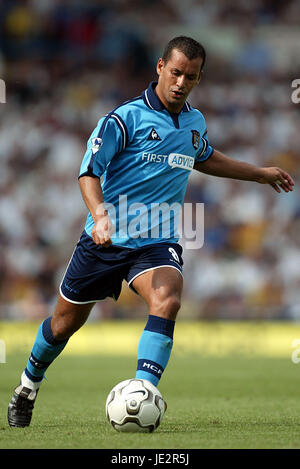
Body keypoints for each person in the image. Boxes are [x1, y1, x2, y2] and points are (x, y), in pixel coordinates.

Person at [8, 36, 294, 427]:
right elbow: (88, 172)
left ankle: (144, 390)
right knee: (63, 325)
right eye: (175, 72)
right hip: (105, 239)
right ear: (160, 67)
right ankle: (28, 384)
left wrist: (259, 174)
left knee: (167, 300)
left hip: (156, 241)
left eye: (190, 77)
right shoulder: (124, 119)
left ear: (198, 78)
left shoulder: (194, 122)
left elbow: (204, 157)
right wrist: (101, 215)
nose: (180, 82)